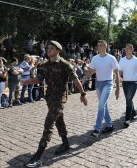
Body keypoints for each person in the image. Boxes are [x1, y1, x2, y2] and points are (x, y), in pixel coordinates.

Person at [23, 40, 88, 168]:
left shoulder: (65, 65)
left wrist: (83, 94)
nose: (48, 50)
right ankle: (65, 143)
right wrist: (27, 82)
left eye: (51, 48)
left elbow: (75, 80)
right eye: (48, 48)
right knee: (59, 120)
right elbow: (39, 79)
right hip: (49, 97)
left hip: (60, 97)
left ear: (58, 51)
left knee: (49, 123)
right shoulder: (44, 64)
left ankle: (38, 155)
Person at [87, 40, 120, 137]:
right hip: (98, 84)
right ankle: (109, 125)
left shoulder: (112, 58)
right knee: (104, 105)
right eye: (98, 46)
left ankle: (97, 129)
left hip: (108, 83)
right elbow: (91, 72)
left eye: (101, 45)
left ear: (106, 47)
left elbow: (117, 73)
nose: (99, 47)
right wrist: (86, 74)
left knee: (101, 105)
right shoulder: (94, 58)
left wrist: (118, 88)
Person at [119, 44, 137, 127]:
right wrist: (119, 77)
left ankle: (127, 119)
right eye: (126, 49)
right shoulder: (122, 60)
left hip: (133, 83)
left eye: (129, 49)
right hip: (125, 83)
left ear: (132, 50)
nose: (127, 50)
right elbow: (120, 71)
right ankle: (133, 112)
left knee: (128, 100)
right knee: (128, 99)